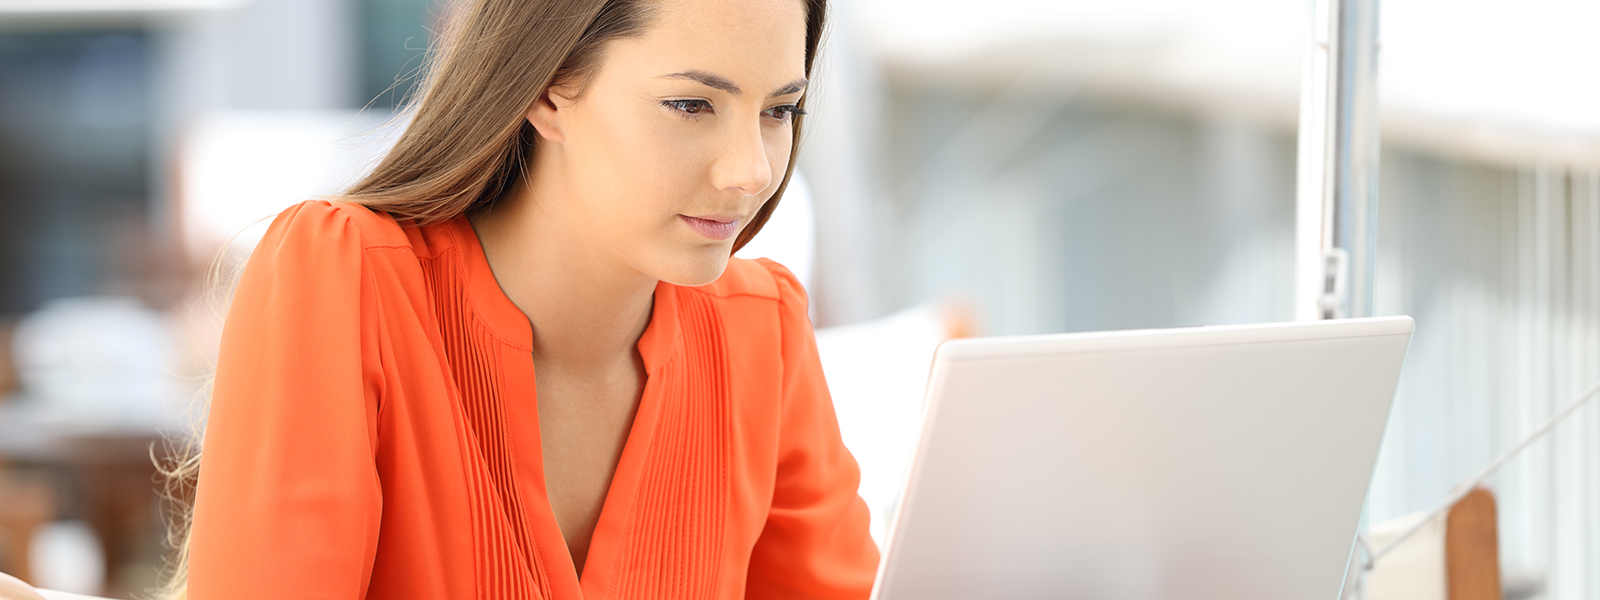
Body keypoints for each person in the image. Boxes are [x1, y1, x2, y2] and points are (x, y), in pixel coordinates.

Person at [0, 0, 877, 597]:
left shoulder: (760, 328)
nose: (752, 171)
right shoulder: (344, 283)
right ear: (546, 88)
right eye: (692, 105)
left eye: (779, 110)